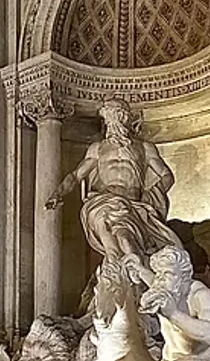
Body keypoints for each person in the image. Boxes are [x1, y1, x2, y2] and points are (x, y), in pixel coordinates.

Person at [45, 98, 181, 262]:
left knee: (126, 242)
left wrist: (152, 195)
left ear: (125, 118)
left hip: (133, 205)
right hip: (104, 203)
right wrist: (58, 193)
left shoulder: (145, 148)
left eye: (116, 115)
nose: (113, 122)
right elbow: (76, 176)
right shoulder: (97, 148)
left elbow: (167, 177)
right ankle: (116, 279)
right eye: (109, 117)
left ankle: (132, 278)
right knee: (114, 246)